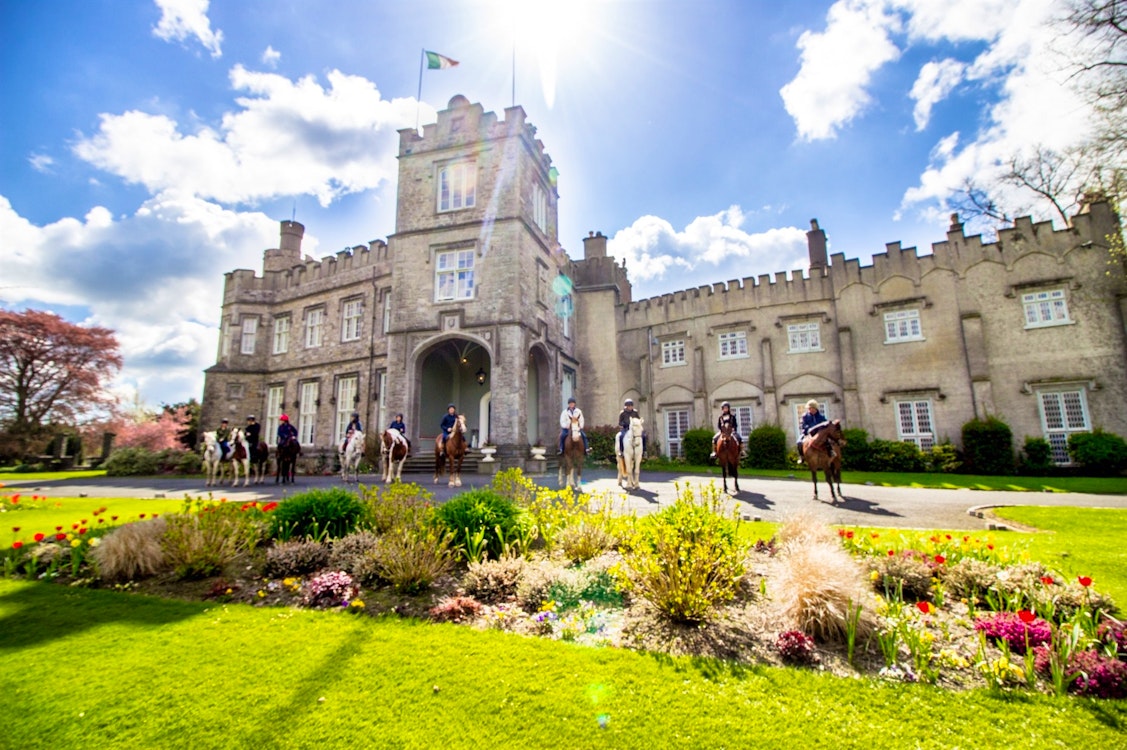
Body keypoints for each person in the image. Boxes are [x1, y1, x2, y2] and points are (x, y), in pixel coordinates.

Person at [797, 399, 830, 464]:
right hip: (808, 433)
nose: (810, 410)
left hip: (818, 433)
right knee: (799, 442)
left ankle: (831, 452)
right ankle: (801, 457)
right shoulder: (805, 416)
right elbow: (802, 425)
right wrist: (807, 429)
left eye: (811, 408)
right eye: (809, 408)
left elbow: (825, 424)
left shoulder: (821, 417)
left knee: (828, 441)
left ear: (815, 408)